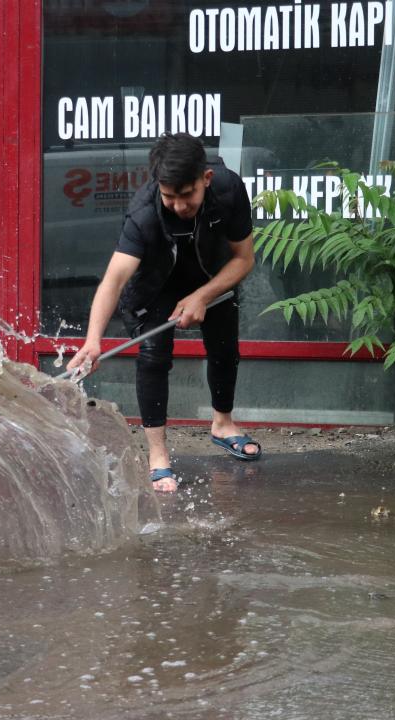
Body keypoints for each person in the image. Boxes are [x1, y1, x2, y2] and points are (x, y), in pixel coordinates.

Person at [66, 133, 262, 493]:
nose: (178, 205)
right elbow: (113, 281)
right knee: (154, 357)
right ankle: (158, 454)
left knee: (224, 347)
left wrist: (202, 295)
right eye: (169, 196)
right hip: (157, 283)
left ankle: (222, 424)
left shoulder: (229, 190)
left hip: (212, 275)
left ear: (205, 179)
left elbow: (244, 259)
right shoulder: (144, 215)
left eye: (187, 196)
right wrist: (93, 341)